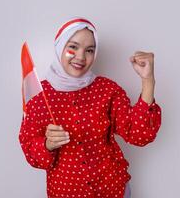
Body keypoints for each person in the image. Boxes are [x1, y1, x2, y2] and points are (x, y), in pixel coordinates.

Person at [18, 17, 162, 198]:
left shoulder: (108, 90)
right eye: (73, 47)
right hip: (66, 193)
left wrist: (148, 80)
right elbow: (31, 152)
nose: (81, 57)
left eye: (89, 50)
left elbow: (139, 135)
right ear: (60, 46)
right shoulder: (39, 96)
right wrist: (47, 145)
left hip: (113, 189)